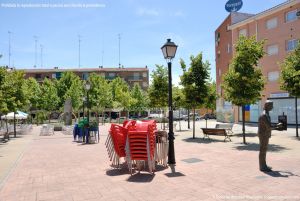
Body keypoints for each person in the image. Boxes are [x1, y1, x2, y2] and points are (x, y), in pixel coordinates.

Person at [257, 100, 282, 172]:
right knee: (263, 150)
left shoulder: (266, 114)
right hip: (263, 135)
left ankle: (264, 165)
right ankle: (262, 166)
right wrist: (278, 126)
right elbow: (269, 127)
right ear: (267, 106)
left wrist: (277, 125)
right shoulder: (264, 115)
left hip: (265, 134)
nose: (272, 107)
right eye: (271, 105)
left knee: (264, 150)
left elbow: (268, 125)